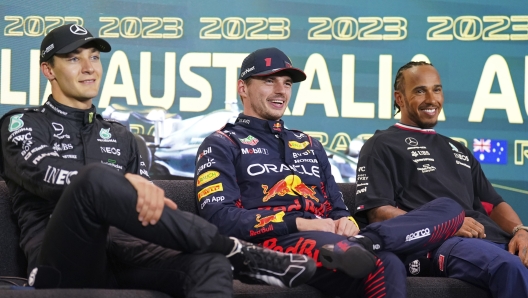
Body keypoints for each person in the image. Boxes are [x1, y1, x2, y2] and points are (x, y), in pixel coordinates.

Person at [0, 24, 318, 297]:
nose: (89, 67)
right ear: (48, 70)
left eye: (94, 57)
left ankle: (227, 254)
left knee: (210, 265)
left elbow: (149, 210)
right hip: (63, 263)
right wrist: (119, 182)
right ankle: (237, 250)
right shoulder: (23, 123)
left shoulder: (124, 138)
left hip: (127, 257)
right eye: (73, 59)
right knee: (93, 180)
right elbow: (43, 175)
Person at [194, 48, 467, 298]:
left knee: (449, 209)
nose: (281, 91)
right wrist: (299, 223)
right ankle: (368, 244)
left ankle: (367, 241)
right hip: (270, 245)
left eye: (287, 83)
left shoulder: (310, 144)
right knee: (384, 262)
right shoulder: (222, 143)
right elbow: (219, 219)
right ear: (243, 88)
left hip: (334, 243)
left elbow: (337, 209)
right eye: (269, 81)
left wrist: (345, 221)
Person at [354, 61, 528, 297]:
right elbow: (379, 212)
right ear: (400, 98)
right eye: (419, 90)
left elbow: (494, 204)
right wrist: (445, 225)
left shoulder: (458, 148)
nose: (431, 98)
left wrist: (520, 231)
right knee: (509, 267)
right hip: (444, 243)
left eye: (436, 89)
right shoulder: (381, 144)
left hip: (497, 239)